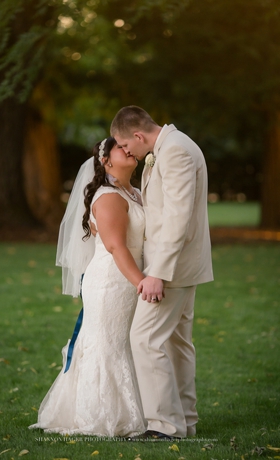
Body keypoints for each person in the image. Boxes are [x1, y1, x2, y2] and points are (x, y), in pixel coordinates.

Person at [31, 137, 146, 437]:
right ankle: (101, 415)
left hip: (127, 277)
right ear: (106, 160)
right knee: (108, 343)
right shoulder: (108, 196)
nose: (129, 149)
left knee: (121, 343)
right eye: (121, 147)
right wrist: (142, 282)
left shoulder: (133, 191)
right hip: (112, 280)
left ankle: (137, 409)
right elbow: (114, 245)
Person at [111, 106, 213, 440]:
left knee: (145, 339)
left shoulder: (176, 151)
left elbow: (177, 218)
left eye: (126, 145)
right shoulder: (172, 146)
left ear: (138, 136)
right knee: (176, 344)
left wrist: (158, 273)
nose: (127, 153)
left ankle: (164, 426)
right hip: (181, 267)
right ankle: (185, 420)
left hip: (172, 269)